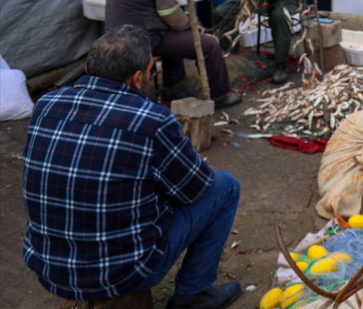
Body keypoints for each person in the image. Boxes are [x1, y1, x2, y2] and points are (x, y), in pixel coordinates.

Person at [22, 25, 242, 309]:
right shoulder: (151, 120)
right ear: (138, 79)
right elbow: (195, 190)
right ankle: (192, 296)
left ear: (88, 68)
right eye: (151, 71)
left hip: (49, 267)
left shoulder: (45, 105)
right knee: (225, 186)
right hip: (122, 275)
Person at [105, 0, 240, 107]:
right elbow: (168, 11)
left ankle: (172, 87)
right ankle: (221, 95)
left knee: (174, 32)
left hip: (114, 35)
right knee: (210, 45)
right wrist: (192, 26)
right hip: (142, 39)